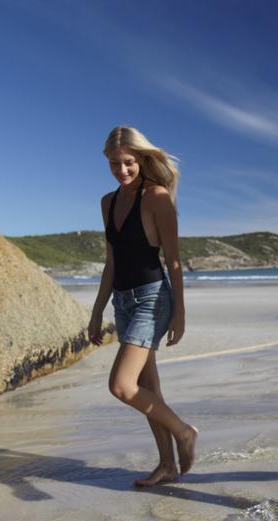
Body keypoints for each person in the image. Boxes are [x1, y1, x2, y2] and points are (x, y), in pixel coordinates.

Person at [88, 126, 197, 487]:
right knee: (148, 387)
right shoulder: (107, 203)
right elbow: (111, 262)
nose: (122, 170)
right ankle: (167, 465)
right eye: (115, 164)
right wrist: (96, 311)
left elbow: (175, 261)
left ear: (142, 159)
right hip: (123, 301)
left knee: (122, 385)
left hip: (152, 298)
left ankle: (184, 432)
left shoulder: (156, 197)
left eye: (130, 162)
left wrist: (179, 312)